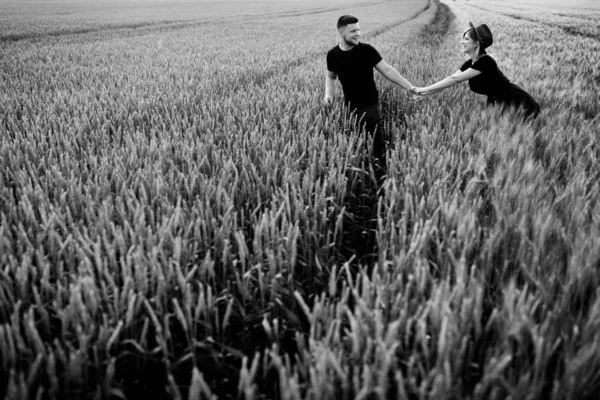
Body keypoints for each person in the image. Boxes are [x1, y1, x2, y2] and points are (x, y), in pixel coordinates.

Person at [324, 14, 416, 184]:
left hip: (370, 107)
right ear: (341, 32)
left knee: (378, 146)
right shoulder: (333, 55)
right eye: (353, 31)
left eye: (359, 29)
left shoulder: (366, 50)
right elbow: (331, 77)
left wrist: (409, 86)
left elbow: (387, 70)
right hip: (349, 109)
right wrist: (328, 95)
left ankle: (383, 181)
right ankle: (365, 179)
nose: (358, 33)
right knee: (357, 146)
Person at [413, 22, 540, 119]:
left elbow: (454, 80)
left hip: (516, 102)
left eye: (466, 39)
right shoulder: (471, 62)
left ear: (476, 44)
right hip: (497, 102)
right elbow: (451, 79)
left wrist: (423, 89)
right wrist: (428, 93)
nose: (462, 42)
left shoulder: (486, 61)